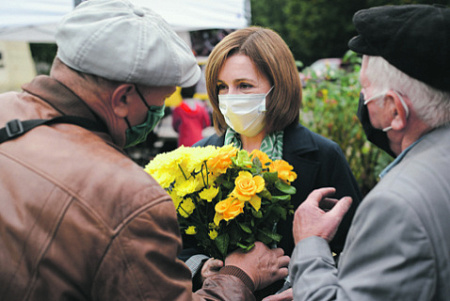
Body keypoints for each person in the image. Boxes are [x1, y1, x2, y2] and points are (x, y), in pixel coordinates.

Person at [0, 0, 290, 300]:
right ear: (123, 98)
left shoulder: (5, 111)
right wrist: (239, 275)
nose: (158, 114)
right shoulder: (129, 197)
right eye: (159, 101)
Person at [180, 26, 362, 299]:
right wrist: (204, 267)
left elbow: (355, 250)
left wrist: (302, 289)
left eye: (244, 85)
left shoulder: (324, 155)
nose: (230, 96)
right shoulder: (198, 157)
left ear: (278, 87)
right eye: (221, 87)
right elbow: (181, 247)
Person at [288, 4, 450, 301]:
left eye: (365, 89)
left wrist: (311, 244)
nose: (362, 100)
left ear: (395, 110)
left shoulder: (396, 205)